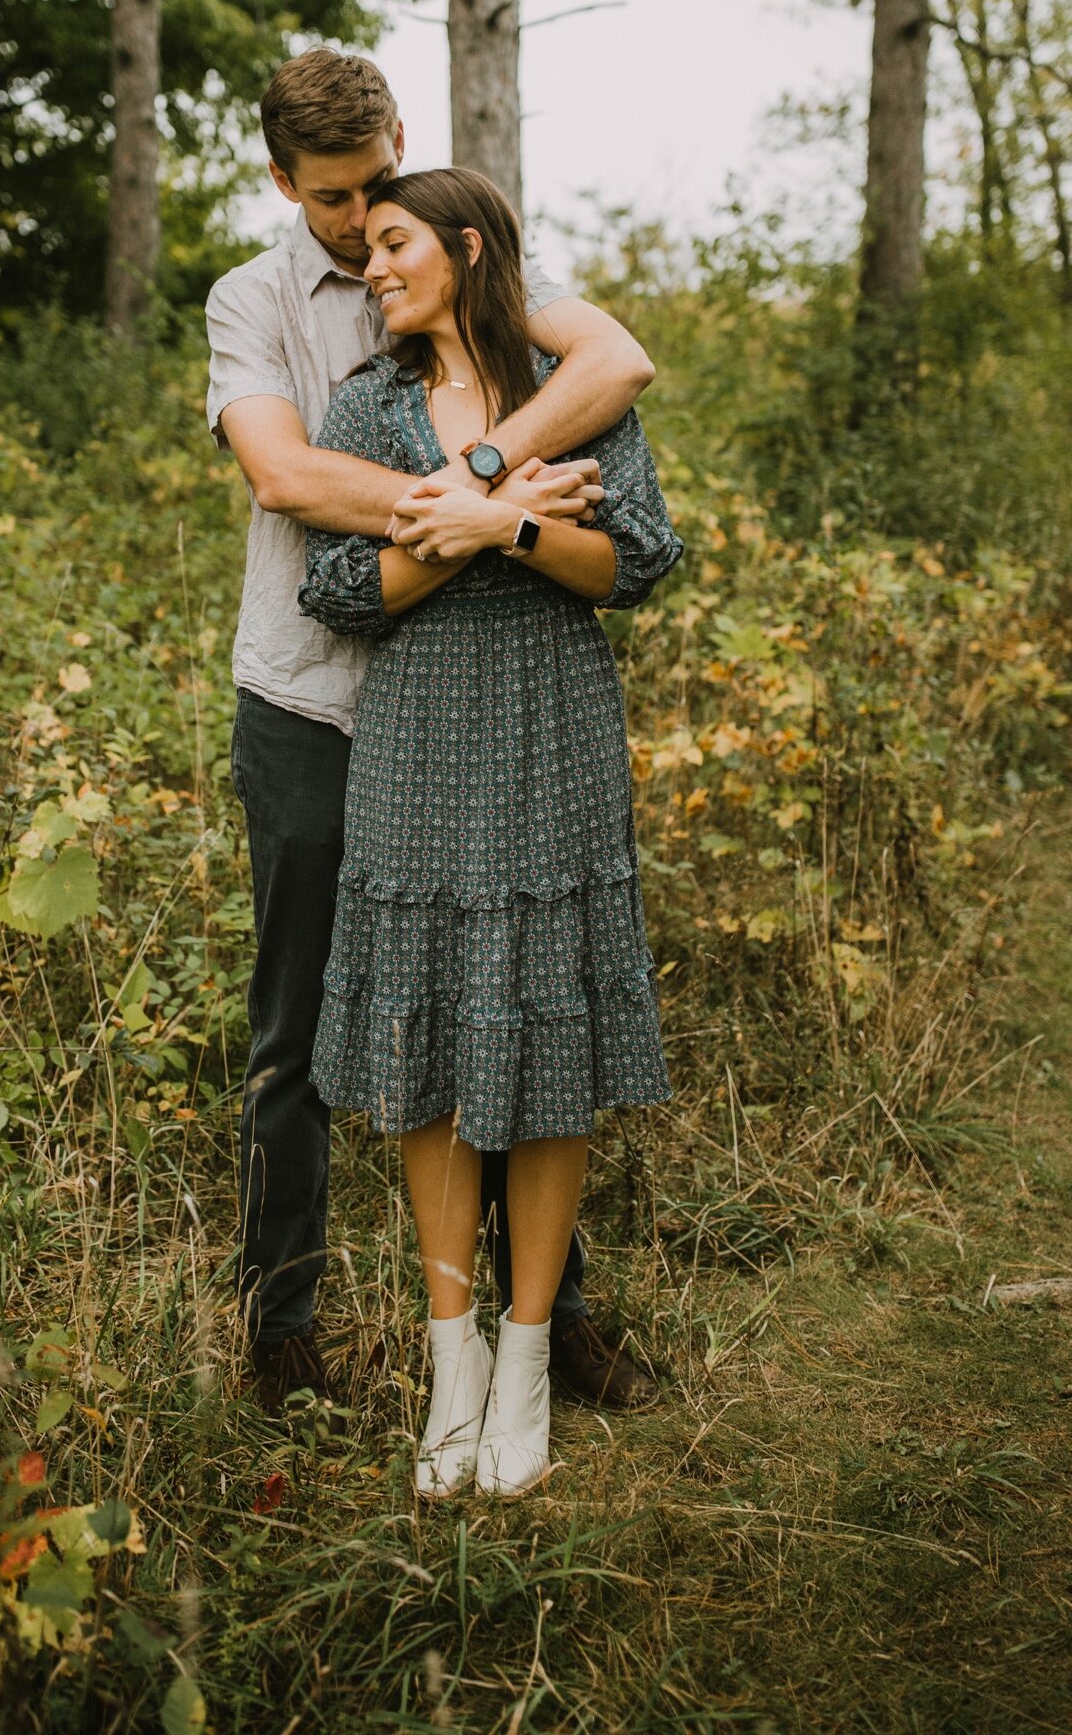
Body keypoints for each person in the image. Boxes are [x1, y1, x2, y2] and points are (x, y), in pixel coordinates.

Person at [205, 47, 656, 1424]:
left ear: (400, 140)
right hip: (309, 696)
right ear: (284, 184)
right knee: (296, 1026)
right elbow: (285, 476)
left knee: (509, 989)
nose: (358, 223)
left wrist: (491, 490)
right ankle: (285, 1325)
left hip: (487, 708)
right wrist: (492, 487)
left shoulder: (451, 249)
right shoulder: (256, 299)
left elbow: (616, 364)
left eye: (373, 189)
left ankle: (550, 1318)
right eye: (332, 199)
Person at [297, 166, 683, 1496]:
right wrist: (480, 526)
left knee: (547, 1031)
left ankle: (528, 1358)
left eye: (395, 243)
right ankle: (450, 1352)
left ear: (466, 247)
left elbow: (627, 562)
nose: (376, 266)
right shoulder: (366, 404)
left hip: (555, 725)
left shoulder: (563, 382)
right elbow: (344, 585)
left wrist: (494, 517)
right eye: (366, 250)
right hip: (417, 737)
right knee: (427, 1036)